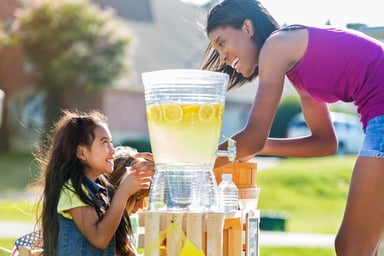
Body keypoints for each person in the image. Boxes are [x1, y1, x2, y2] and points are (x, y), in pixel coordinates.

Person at [200, 0, 384, 255]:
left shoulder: (277, 45)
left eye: (222, 43)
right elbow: (324, 143)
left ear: (247, 27)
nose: (223, 57)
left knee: (352, 247)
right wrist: (262, 146)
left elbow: (252, 136)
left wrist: (194, 166)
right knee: (361, 247)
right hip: (378, 121)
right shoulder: (297, 66)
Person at [34, 109, 153, 256]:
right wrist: (123, 192)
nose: (113, 150)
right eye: (104, 143)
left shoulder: (99, 192)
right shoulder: (72, 190)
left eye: (111, 142)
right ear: (81, 153)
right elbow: (99, 238)